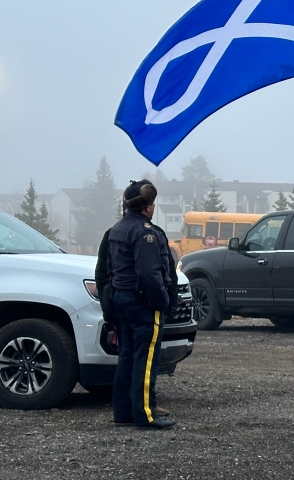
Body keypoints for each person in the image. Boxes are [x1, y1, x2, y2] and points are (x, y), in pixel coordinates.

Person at [107, 179, 176, 429]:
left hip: (121, 299)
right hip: (142, 303)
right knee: (145, 360)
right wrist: (162, 300)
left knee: (126, 357)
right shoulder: (145, 232)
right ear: (147, 206)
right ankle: (146, 414)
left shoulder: (117, 229)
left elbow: (109, 268)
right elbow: (149, 273)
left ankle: (123, 411)